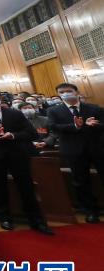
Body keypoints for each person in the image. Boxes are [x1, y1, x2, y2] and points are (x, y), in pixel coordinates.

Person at [0, 87, 53, 234]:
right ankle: (5, 217)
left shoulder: (14, 112)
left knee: (26, 187)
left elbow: (29, 132)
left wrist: (12, 135)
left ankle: (36, 220)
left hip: (17, 154)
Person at [46, 83, 104, 223]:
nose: (65, 94)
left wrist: (95, 124)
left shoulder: (94, 108)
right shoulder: (53, 110)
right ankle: (91, 210)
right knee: (81, 181)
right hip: (73, 150)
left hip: (97, 148)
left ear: (76, 92)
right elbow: (54, 127)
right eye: (62, 92)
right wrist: (76, 126)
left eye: (69, 91)